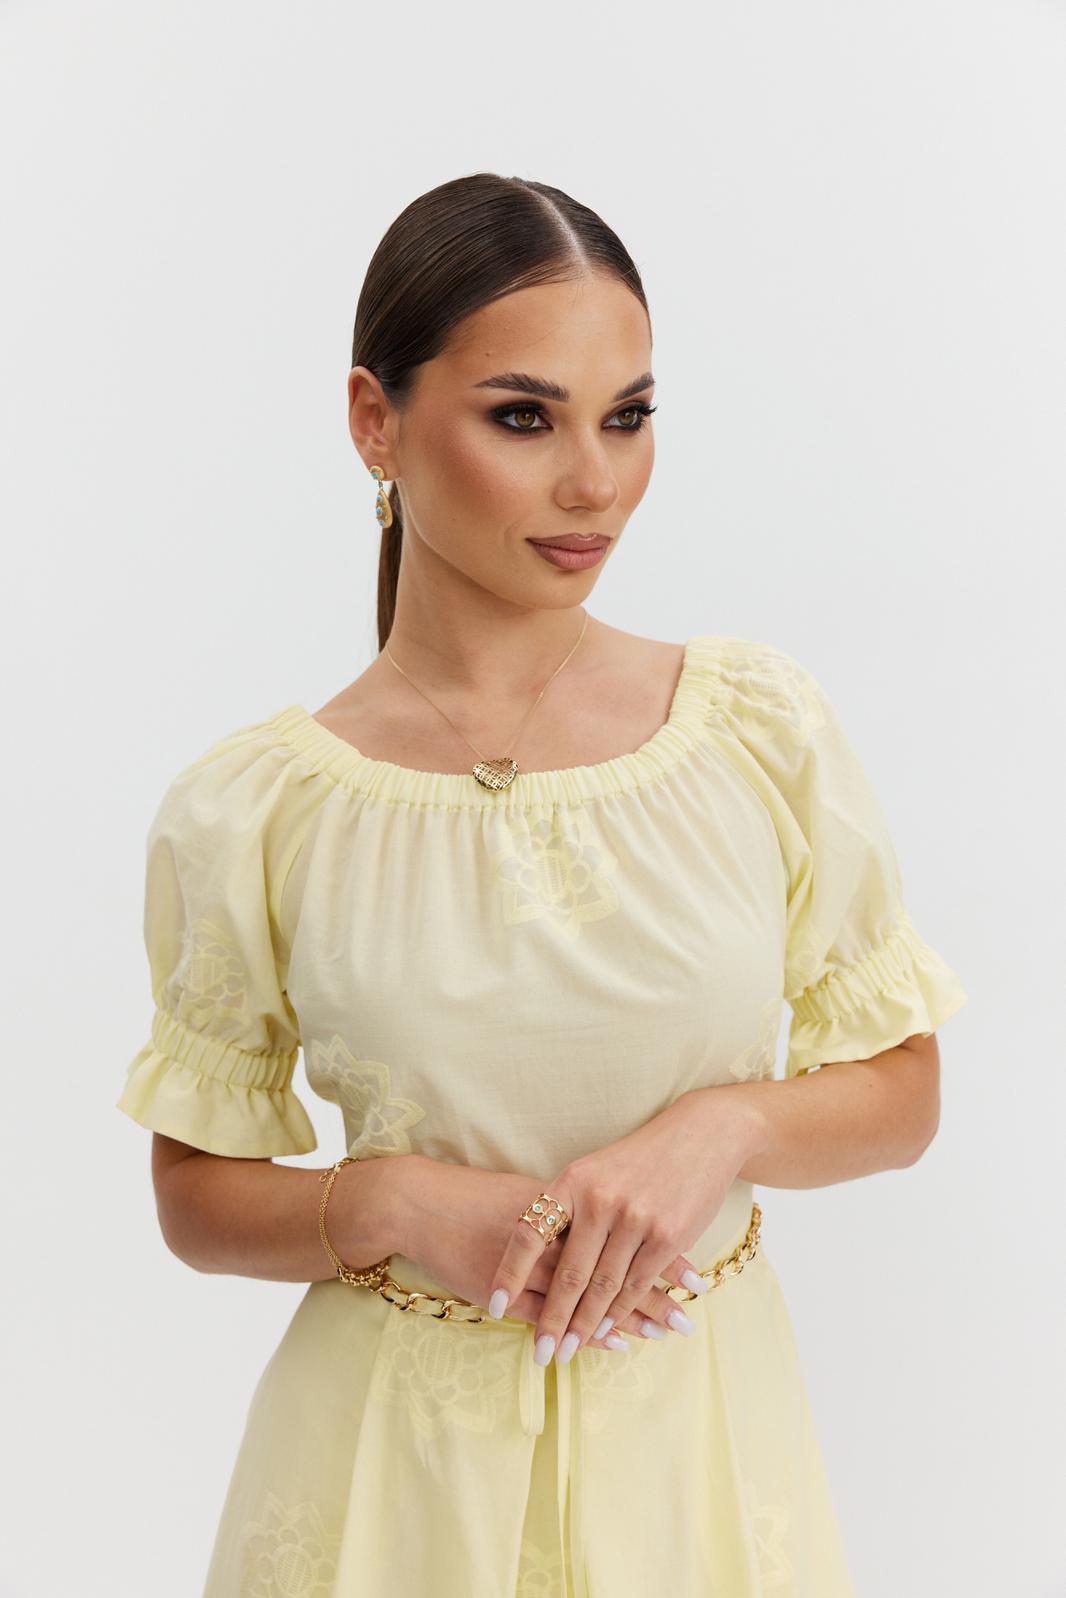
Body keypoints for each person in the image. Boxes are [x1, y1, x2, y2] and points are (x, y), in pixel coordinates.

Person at [115, 172, 967, 1597]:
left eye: (627, 416)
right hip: (388, 1482)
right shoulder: (257, 809)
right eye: (525, 417)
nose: (595, 483)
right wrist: (393, 1203)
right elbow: (196, 1192)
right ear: (375, 421)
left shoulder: (755, 730)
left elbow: (903, 1091)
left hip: (696, 1458)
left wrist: (720, 1126)